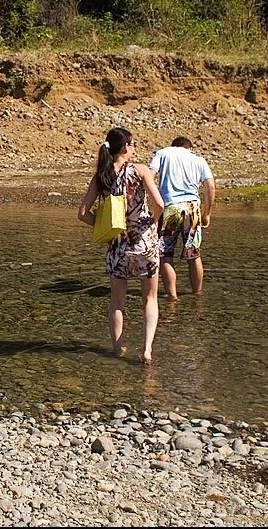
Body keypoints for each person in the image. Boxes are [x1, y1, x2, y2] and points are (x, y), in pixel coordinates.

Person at [78, 128, 164, 365]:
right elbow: (159, 203)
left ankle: (117, 348)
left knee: (117, 302)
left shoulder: (101, 176)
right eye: (133, 144)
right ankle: (147, 350)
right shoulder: (141, 171)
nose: (134, 148)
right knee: (150, 298)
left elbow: (82, 213)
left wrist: (103, 228)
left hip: (117, 243)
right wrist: (153, 221)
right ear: (126, 147)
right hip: (145, 241)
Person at [149, 136, 215, 300]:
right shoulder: (198, 159)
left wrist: (152, 205)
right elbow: (210, 187)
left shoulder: (163, 153)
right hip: (192, 209)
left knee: (165, 255)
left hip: (170, 207)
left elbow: (149, 176)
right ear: (189, 147)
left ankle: (172, 297)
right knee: (194, 254)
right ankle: (197, 294)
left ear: (173, 146)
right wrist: (207, 214)